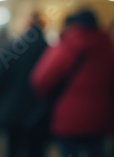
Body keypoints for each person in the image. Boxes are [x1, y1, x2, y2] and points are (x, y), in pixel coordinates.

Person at [31, 8, 114, 157]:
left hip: (67, 120)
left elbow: (39, 79)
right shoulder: (108, 47)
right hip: (101, 119)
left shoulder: (65, 46)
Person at [0, 7, 49, 157]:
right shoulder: (49, 48)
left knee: (13, 151)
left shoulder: (13, 48)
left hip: (13, 112)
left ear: (26, 21)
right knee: (37, 151)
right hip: (40, 114)